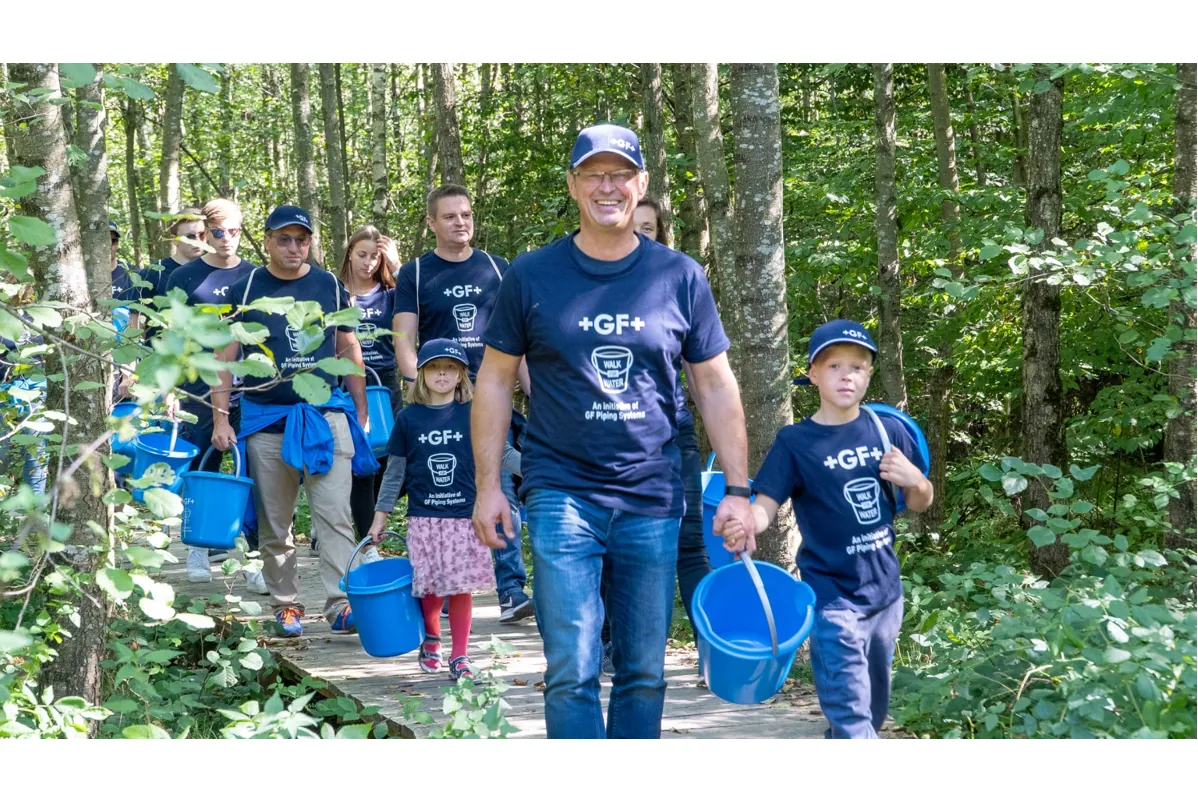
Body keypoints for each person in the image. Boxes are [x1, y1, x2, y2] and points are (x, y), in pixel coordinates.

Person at [471, 123, 756, 739]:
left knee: (644, 672)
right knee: (572, 667)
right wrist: (488, 486)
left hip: (651, 493)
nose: (608, 186)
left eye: (621, 174)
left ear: (641, 183)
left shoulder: (679, 276)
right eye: (594, 174)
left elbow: (714, 384)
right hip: (560, 489)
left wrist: (738, 489)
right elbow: (494, 380)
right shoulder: (532, 274)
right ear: (573, 184)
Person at [723, 320, 933, 739]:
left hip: (886, 592)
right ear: (814, 374)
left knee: (871, 711)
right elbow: (765, 505)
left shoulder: (887, 429)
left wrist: (916, 480)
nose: (846, 375)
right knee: (852, 714)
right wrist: (746, 522)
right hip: (831, 596)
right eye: (834, 366)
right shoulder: (795, 442)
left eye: (857, 366)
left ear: (869, 375)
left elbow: (919, 502)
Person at [211, 204, 376, 639]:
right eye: (283, 239)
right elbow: (224, 358)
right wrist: (220, 418)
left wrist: (360, 409)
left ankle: (340, 603)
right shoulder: (247, 287)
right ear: (266, 240)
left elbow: (348, 347)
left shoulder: (328, 284)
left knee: (335, 515)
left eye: (301, 240)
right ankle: (286, 605)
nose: (293, 247)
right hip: (266, 420)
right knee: (275, 522)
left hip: (325, 416)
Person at [392, 185, 534, 624]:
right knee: (446, 494)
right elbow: (404, 341)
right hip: (442, 399)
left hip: (491, 398)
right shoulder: (416, 273)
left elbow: (519, 342)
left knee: (501, 486)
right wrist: (423, 394)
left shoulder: (498, 267)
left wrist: (538, 396)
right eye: (450, 216)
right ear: (432, 222)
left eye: (466, 214)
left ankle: (511, 590)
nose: (461, 222)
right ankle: (440, 589)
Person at [598, 194, 709, 676]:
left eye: (649, 227)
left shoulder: (676, 282)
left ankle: (710, 649)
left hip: (672, 431)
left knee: (690, 544)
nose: (639, 234)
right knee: (608, 543)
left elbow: (704, 371)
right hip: (603, 437)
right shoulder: (591, 284)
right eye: (633, 225)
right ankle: (610, 644)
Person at [367, 339, 498, 681]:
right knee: (430, 585)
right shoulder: (408, 418)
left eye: (450, 368)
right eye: (435, 368)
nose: (442, 374)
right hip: (424, 518)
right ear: (421, 374)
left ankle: (460, 656)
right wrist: (379, 518)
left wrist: (535, 470)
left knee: (461, 586)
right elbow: (394, 473)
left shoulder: (473, 413)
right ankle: (432, 637)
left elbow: (498, 455)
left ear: (461, 375)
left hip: (465, 517)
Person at [162, 198, 262, 587]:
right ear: (205, 233)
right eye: (217, 232)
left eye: (234, 231)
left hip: (251, 388)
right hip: (199, 388)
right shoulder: (184, 277)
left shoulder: (255, 276)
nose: (226, 239)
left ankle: (255, 559)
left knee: (253, 472)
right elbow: (173, 337)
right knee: (204, 468)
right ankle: (199, 548)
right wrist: (171, 388)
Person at [339, 225, 401, 560]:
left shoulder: (390, 294)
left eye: (375, 257)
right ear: (350, 253)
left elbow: (420, 301)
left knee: (392, 459)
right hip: (347, 384)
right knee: (361, 464)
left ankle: (358, 515)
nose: (368, 263)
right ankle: (368, 545)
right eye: (362, 254)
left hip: (385, 385)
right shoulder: (336, 291)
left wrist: (397, 264)